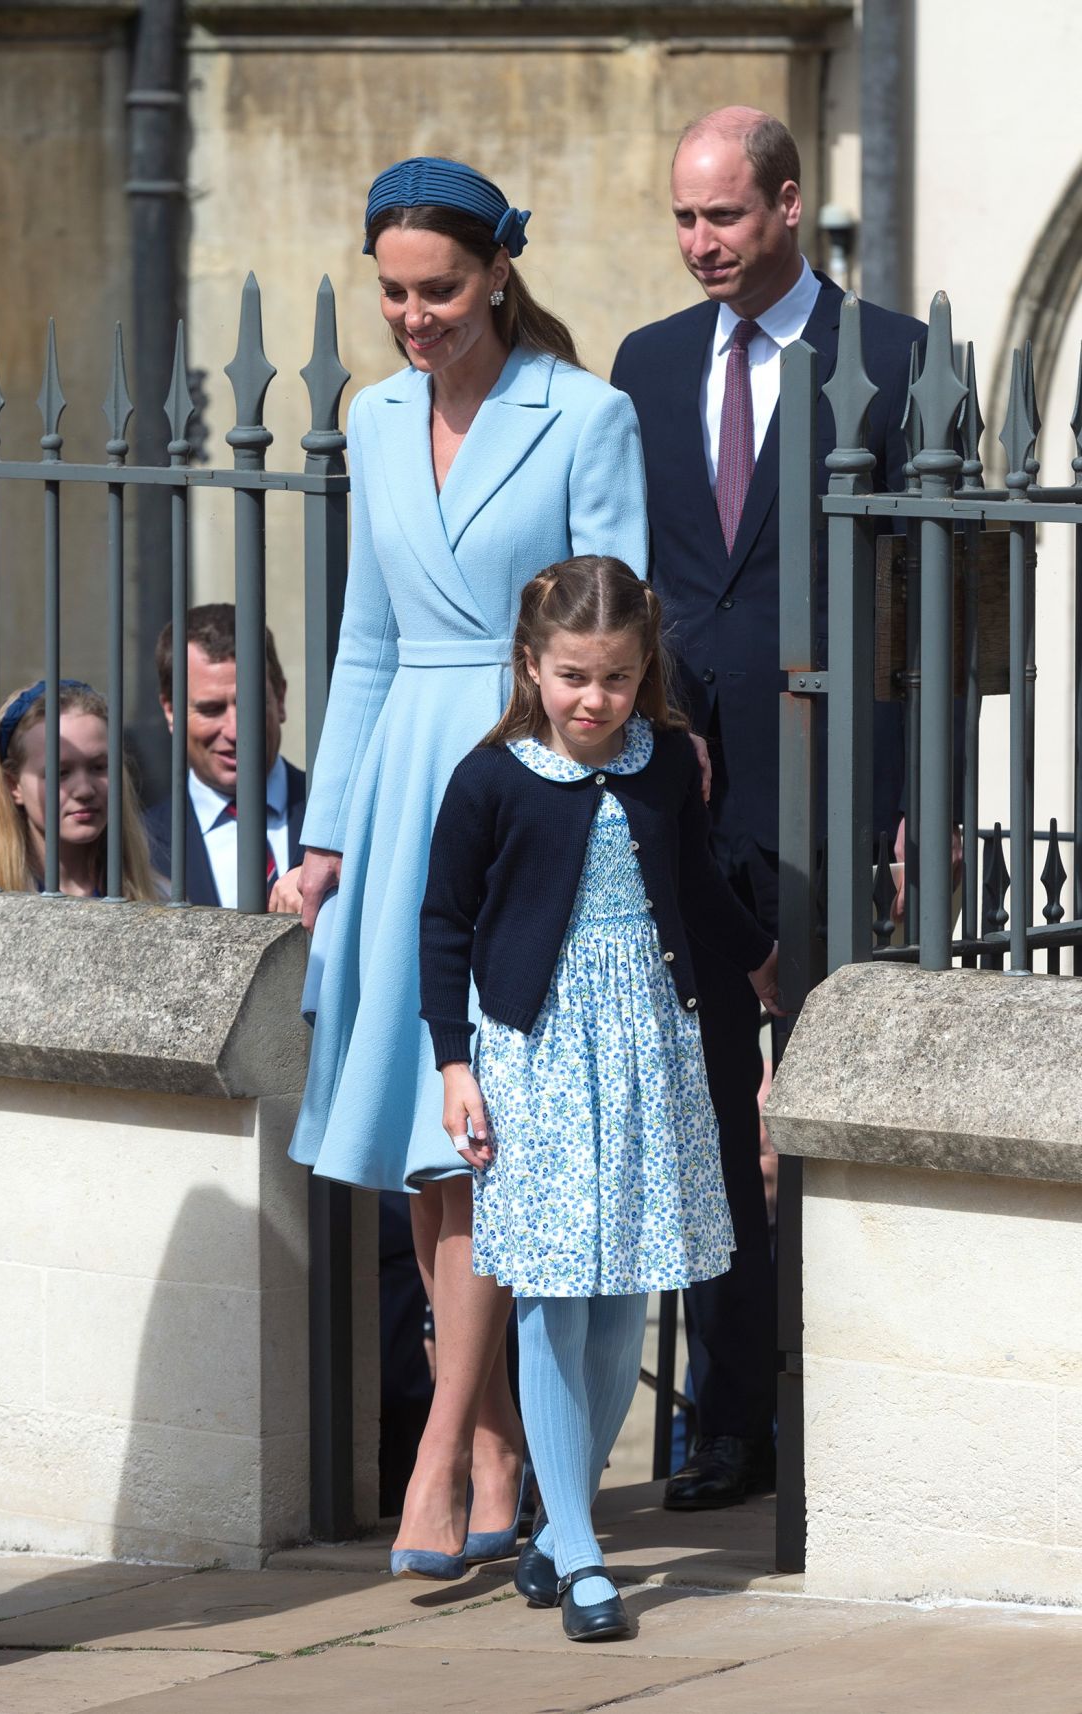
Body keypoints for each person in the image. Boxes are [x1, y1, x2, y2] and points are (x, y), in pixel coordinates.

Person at [291, 157, 649, 1575]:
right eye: (390, 291)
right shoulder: (371, 418)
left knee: (490, 1144)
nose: (411, 316)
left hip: (525, 785)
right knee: (436, 1155)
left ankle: (440, 1457)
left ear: (499, 272)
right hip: (394, 798)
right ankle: (494, 1448)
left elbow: (615, 645)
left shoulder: (589, 414)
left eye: (438, 288)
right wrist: (325, 836)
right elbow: (367, 640)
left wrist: (569, 800)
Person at [611, 107, 924, 1510]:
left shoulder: (896, 360)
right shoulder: (650, 362)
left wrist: (918, 799)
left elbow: (930, 602)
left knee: (830, 1100)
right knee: (706, 1106)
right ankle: (734, 1412)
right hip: (695, 790)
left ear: (790, 206)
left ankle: (852, 1401)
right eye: (683, 218)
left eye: (722, 218)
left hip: (840, 785)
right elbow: (644, 578)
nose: (699, 245)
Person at [419, 556, 780, 1639]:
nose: (592, 698)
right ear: (530, 666)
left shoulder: (665, 762)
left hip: (647, 1048)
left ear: (642, 673)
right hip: (534, 1056)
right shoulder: (489, 780)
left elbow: (692, 889)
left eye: (615, 678)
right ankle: (579, 1551)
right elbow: (442, 924)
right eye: (572, 674)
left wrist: (764, 963)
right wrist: (453, 1062)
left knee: (628, 1292)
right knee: (551, 1294)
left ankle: (555, 1523)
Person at [147, 605, 305, 912]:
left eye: (251, 703)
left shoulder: (343, 817)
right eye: (210, 709)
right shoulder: (140, 845)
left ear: (281, 698)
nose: (235, 731)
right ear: (170, 711)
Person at [0, 680, 160, 900]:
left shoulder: (158, 896)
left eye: (99, 767)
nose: (84, 790)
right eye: (60, 773)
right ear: (14, 785)